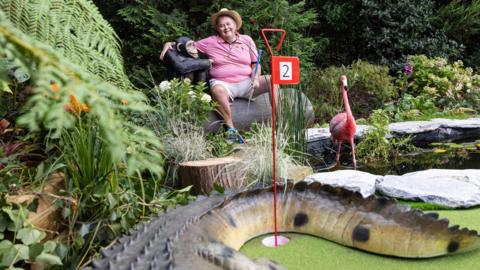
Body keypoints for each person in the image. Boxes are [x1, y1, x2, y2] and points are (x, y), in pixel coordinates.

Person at [160, 8, 273, 143]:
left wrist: (255, 77)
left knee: (273, 79)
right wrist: (169, 43)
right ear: (218, 29)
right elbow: (186, 45)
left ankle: (276, 121)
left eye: (228, 24)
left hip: (247, 82)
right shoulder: (210, 42)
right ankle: (231, 130)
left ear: (235, 24)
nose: (225, 28)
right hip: (224, 84)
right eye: (221, 25)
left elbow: (256, 63)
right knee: (217, 89)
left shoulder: (247, 40)